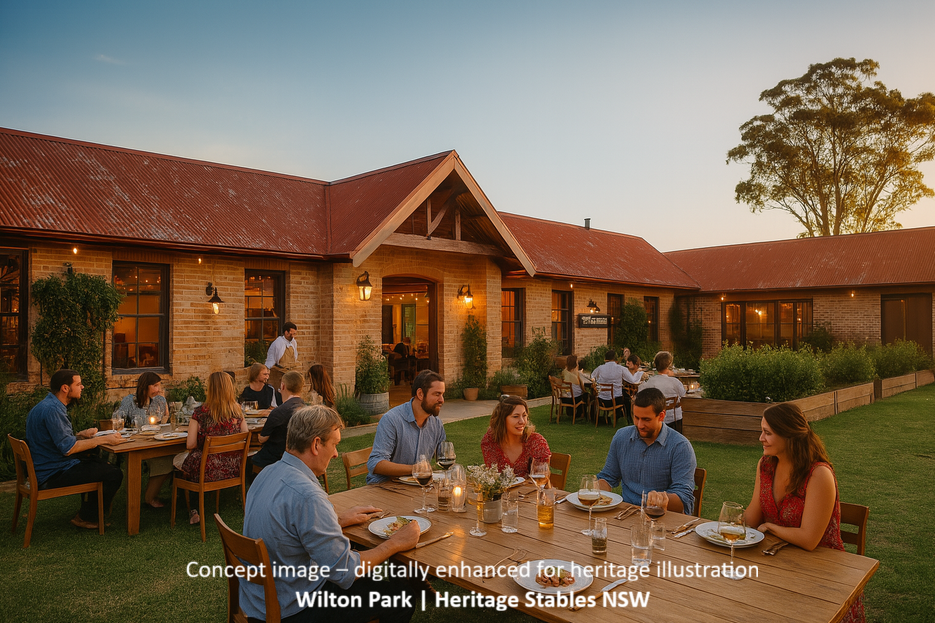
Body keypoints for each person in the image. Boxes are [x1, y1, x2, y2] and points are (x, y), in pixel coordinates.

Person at [242, 405, 421, 623]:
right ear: (316, 444)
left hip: (258, 599)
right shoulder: (308, 496)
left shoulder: (267, 473)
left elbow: (285, 526)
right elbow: (345, 571)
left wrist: (338, 520)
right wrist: (395, 543)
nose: (336, 454)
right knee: (403, 597)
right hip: (294, 608)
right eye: (334, 444)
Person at [745, 403, 864, 622]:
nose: (760, 438)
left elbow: (810, 540)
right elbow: (751, 518)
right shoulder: (766, 465)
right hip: (778, 565)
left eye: (767, 433)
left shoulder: (818, 474)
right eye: (762, 431)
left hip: (821, 573)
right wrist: (730, 521)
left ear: (789, 435)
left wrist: (771, 527)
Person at [25, 369, 125, 529]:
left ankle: (88, 511)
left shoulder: (47, 405)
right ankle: (87, 517)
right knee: (113, 473)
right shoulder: (53, 410)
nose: (82, 387)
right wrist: (104, 439)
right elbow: (68, 449)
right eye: (78, 384)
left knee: (96, 461)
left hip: (47, 466)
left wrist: (79, 435)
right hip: (51, 474)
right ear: (65, 388)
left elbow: (57, 441)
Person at [596, 387, 696, 513]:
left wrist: (661, 499)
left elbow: (684, 499)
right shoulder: (622, 437)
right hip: (625, 513)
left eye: (646, 419)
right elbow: (608, 476)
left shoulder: (680, 447)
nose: (639, 425)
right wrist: (595, 489)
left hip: (661, 517)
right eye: (636, 417)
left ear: (661, 416)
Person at [173, 371, 249, 525]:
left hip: (207, 468)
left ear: (210, 389)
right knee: (194, 462)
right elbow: (245, 435)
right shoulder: (237, 411)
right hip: (232, 467)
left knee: (183, 465)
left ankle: (194, 510)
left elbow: (190, 444)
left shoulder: (200, 413)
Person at [367, 369, 446, 484]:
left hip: (417, 487)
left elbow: (444, 457)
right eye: (437, 394)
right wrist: (415, 469)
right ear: (420, 394)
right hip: (385, 486)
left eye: (442, 394)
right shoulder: (392, 420)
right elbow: (375, 463)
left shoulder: (436, 424)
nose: (442, 400)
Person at [113, 372, 172, 507]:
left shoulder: (159, 400)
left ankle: (152, 495)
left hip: (157, 440)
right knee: (163, 460)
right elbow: (118, 421)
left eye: (159, 385)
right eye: (155, 385)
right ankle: (147, 497)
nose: (158, 389)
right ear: (145, 385)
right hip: (136, 442)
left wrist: (166, 408)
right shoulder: (129, 401)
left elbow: (165, 422)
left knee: (171, 457)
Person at [481, 394, 550, 477]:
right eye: (515, 416)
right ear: (502, 420)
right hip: (502, 490)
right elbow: (493, 477)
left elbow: (542, 479)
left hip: (531, 490)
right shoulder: (490, 440)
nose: (522, 421)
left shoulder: (536, 442)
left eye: (524, 415)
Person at [251, 371, 305, 470]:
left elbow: (262, 438)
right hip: (300, 454)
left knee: (250, 459)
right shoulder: (305, 408)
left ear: (283, 386)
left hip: (277, 456)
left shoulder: (279, 411)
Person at [640, 351, 687, 433]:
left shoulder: (650, 382)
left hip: (656, 417)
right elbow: (683, 394)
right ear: (669, 365)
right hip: (674, 418)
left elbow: (641, 394)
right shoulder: (675, 382)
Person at [592, 349, 641, 424]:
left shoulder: (600, 368)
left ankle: (613, 416)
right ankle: (627, 417)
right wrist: (639, 374)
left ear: (605, 359)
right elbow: (632, 380)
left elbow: (592, 377)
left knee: (623, 393)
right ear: (615, 358)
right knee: (626, 397)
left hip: (602, 400)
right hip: (616, 400)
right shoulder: (621, 368)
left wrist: (595, 383)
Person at [265, 322, 299, 389]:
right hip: (280, 373)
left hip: (290, 372)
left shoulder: (293, 342)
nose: (294, 336)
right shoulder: (278, 343)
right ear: (286, 333)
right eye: (292, 333)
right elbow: (272, 358)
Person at [560, 354, 588, 421]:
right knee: (585, 395)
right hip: (574, 399)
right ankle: (582, 413)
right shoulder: (576, 374)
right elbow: (582, 387)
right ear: (575, 363)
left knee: (576, 393)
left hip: (564, 398)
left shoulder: (564, 372)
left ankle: (571, 412)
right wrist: (585, 391)